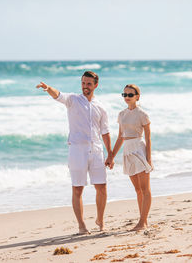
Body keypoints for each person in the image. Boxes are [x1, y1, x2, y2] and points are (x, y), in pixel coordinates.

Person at [36, 71, 113, 234]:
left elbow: (105, 131)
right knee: (78, 189)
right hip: (77, 150)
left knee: (102, 187)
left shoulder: (101, 107)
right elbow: (58, 95)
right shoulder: (73, 100)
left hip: (97, 150)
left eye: (89, 84)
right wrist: (48, 88)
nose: (85, 86)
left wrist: (110, 154)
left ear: (96, 85)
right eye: (83, 83)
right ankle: (81, 225)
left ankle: (100, 220)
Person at [110, 84, 153, 231]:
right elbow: (120, 137)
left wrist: (149, 158)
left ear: (137, 97)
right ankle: (143, 220)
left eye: (130, 95)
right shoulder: (121, 114)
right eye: (125, 95)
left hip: (139, 149)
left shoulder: (142, 114)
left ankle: (143, 222)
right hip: (127, 151)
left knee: (145, 188)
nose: (127, 97)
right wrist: (111, 156)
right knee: (138, 190)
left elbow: (148, 138)